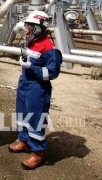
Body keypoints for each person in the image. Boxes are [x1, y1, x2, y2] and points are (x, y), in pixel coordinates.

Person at [9, 10, 62, 170]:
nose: (25, 29)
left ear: (38, 28)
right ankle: (24, 141)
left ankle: (38, 152)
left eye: (28, 26)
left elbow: (51, 73)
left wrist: (31, 68)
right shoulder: (32, 42)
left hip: (38, 89)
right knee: (22, 115)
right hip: (25, 85)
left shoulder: (49, 49)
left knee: (35, 119)